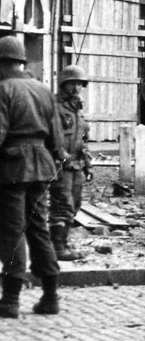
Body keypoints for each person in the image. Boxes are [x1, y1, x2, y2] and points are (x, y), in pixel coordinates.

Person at [0, 35, 64, 318]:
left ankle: (10, 300)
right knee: (38, 229)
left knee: (12, 232)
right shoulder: (43, 90)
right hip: (42, 166)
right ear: (20, 62)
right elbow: (57, 141)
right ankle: (51, 296)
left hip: (12, 169)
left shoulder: (3, 90)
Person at [49, 66, 90, 263]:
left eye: (80, 84)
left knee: (75, 204)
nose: (77, 87)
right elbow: (52, 135)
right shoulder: (55, 107)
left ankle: (62, 243)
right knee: (62, 205)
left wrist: (87, 162)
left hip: (76, 165)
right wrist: (58, 154)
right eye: (73, 83)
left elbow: (82, 137)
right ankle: (57, 247)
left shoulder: (78, 109)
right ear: (64, 84)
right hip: (60, 165)